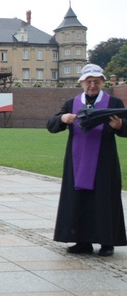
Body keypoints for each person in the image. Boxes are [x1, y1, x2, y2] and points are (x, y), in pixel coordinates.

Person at [47, 63, 127, 257]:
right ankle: (82, 241)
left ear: (102, 82)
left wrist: (120, 125)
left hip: (103, 161)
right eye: (89, 81)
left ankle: (107, 242)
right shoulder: (71, 103)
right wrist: (63, 118)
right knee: (79, 200)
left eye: (97, 82)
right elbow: (52, 125)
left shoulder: (113, 102)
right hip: (77, 161)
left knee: (104, 200)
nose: (92, 85)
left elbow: (126, 128)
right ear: (81, 83)